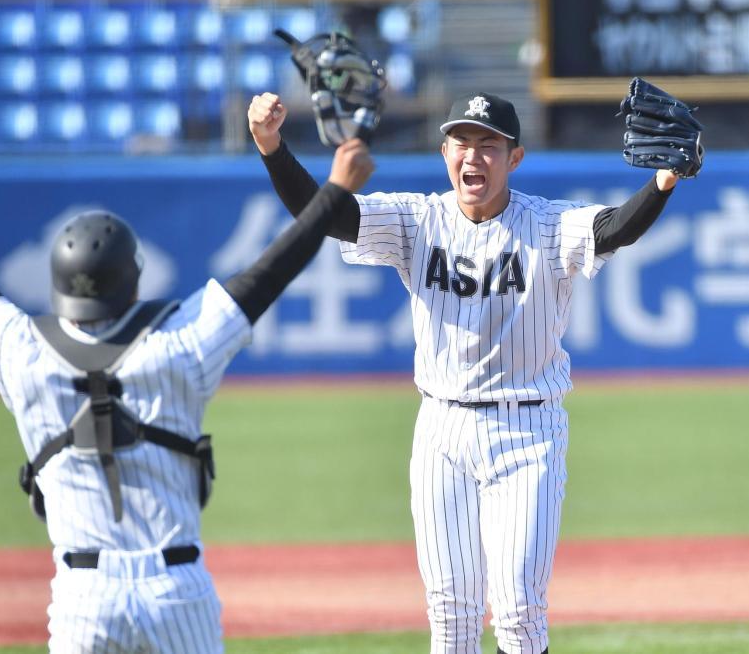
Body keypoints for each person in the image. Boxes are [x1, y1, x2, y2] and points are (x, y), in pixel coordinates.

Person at [0, 131, 374, 653]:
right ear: (134, 281)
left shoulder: (22, 352)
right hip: (176, 591)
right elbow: (267, 275)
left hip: (83, 596)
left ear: (59, 287)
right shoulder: (182, 340)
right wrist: (334, 191)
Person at [248, 90, 686, 654]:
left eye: (488, 144)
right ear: (444, 152)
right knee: (451, 614)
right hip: (442, 431)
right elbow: (328, 215)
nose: (472, 156)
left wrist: (661, 184)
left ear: (515, 158)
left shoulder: (547, 225)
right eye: (461, 142)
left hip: (528, 431)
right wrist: (271, 146)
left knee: (519, 612)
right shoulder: (417, 220)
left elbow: (614, 230)